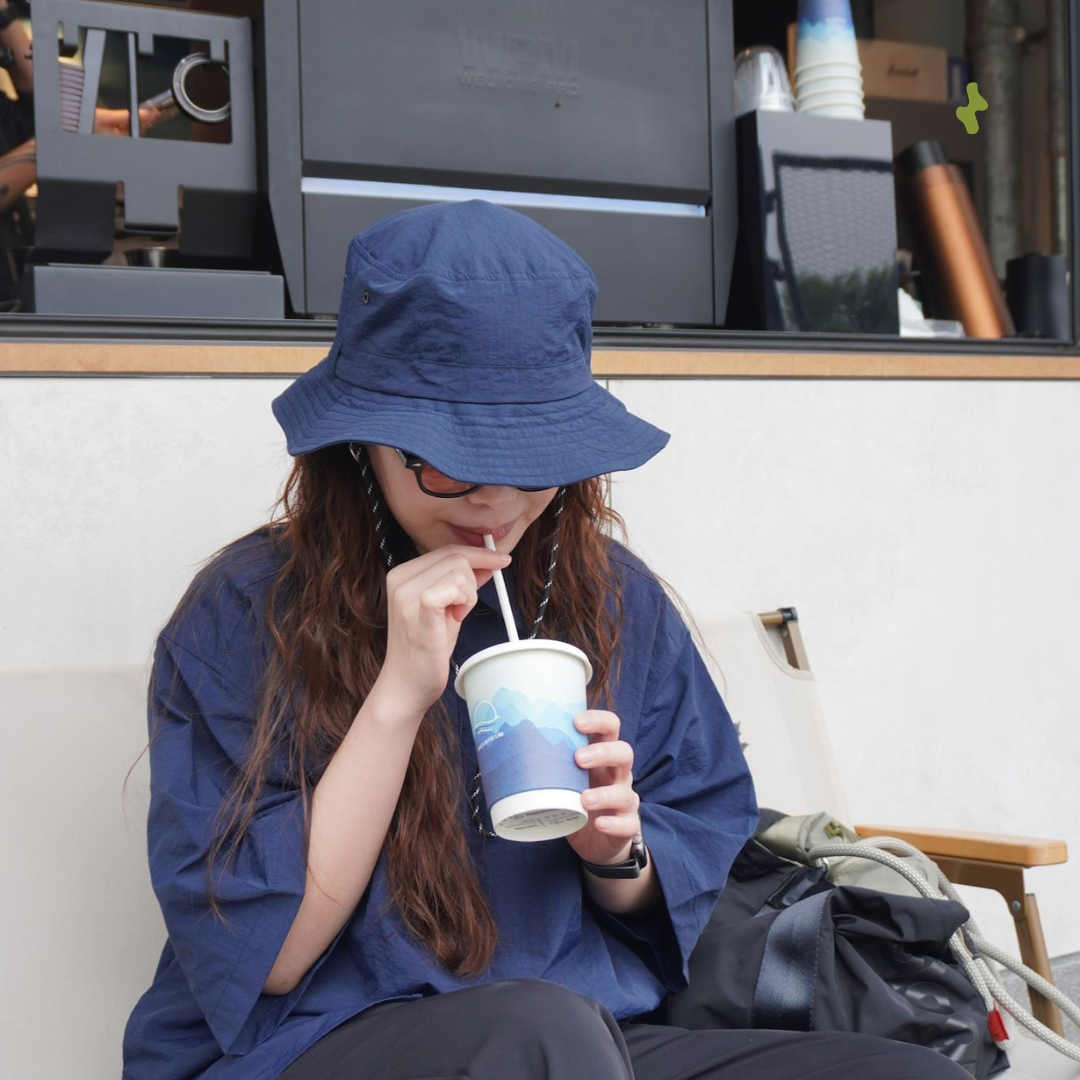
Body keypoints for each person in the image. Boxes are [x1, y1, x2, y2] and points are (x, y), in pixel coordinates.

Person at [122, 199, 970, 1080]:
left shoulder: (609, 596)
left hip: (587, 1040)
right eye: (452, 462)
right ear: (364, 440)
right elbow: (277, 954)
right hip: (313, 1044)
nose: (496, 504)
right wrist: (400, 694)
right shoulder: (243, 613)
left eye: (533, 461)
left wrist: (618, 854)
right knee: (539, 1034)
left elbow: (678, 868)